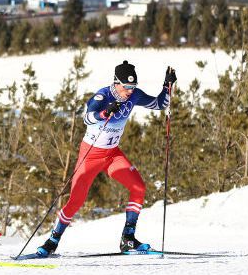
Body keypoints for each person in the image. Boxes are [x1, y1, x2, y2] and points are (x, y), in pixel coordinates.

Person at [36, 61, 176, 257]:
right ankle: (52, 240)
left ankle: (128, 239)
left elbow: (160, 104)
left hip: (112, 154)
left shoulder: (134, 95)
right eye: (126, 87)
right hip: (90, 155)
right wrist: (104, 112)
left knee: (139, 187)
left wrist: (167, 86)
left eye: (132, 87)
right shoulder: (103, 95)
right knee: (76, 200)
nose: (129, 91)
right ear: (116, 83)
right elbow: (87, 118)